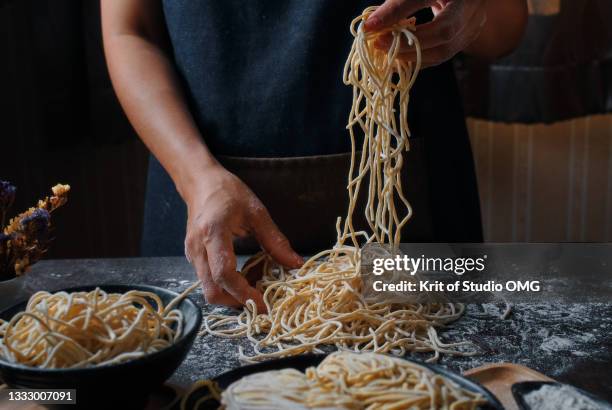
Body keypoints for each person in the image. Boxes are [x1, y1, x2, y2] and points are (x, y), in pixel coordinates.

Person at [101, 0, 527, 311]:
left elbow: (505, 29)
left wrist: (476, 9)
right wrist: (196, 176)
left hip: (411, 200)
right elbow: (129, 30)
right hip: (202, 192)